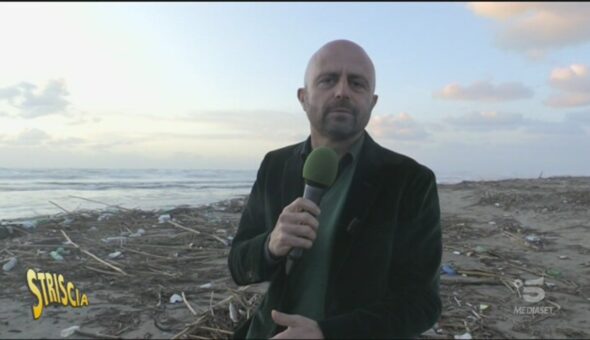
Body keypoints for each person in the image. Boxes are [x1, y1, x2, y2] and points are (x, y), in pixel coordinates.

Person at [228, 39, 442, 339]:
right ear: (303, 97)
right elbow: (239, 265)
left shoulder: (410, 181)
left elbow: (423, 303)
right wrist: (270, 245)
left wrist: (327, 333)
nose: (342, 91)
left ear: (373, 101)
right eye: (328, 80)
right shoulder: (275, 165)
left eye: (357, 83)